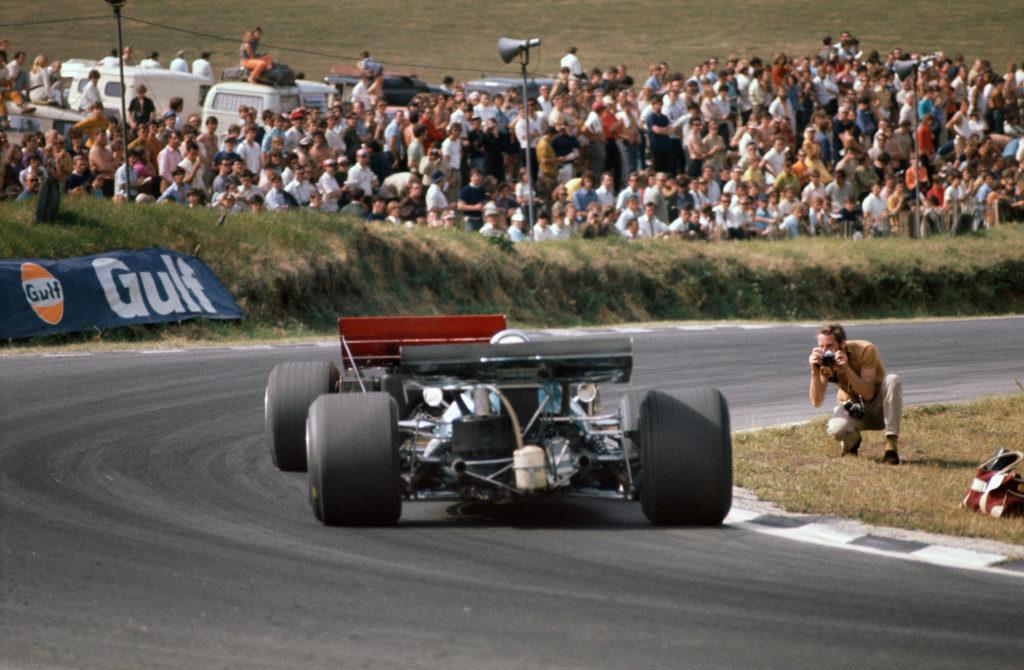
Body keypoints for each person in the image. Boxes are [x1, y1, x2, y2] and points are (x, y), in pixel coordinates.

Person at [809, 323, 903, 464]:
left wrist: (846, 368)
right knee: (836, 429)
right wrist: (815, 371)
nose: (825, 351)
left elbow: (868, 394)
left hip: (879, 408)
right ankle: (852, 443)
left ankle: (891, 447)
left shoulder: (865, 350)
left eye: (829, 346)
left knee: (892, 380)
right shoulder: (825, 361)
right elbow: (816, 402)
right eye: (821, 346)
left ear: (842, 344)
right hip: (853, 408)